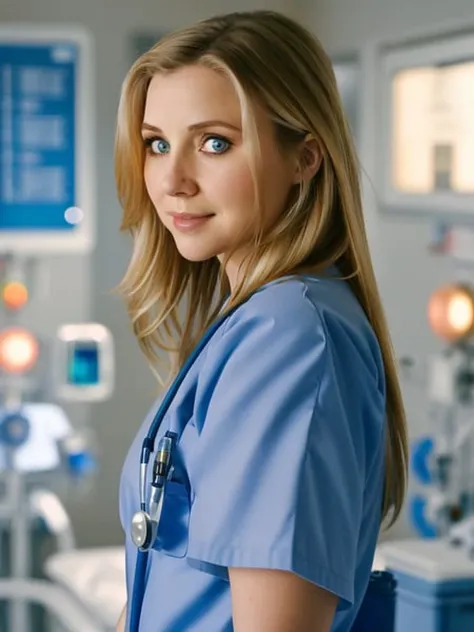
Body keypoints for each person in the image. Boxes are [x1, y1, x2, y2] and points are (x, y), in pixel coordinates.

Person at [114, 10, 408, 632]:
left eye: (215, 142)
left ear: (304, 157)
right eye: (157, 143)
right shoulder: (250, 321)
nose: (172, 180)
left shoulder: (291, 338)